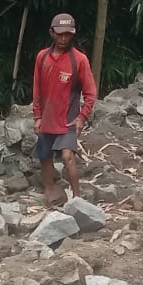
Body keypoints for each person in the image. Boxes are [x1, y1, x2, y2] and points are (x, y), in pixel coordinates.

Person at [31, 12, 97, 205]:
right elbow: (37, 88)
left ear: (73, 34)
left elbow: (91, 92)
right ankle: (50, 191)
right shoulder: (42, 57)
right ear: (52, 33)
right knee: (44, 156)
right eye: (59, 34)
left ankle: (77, 199)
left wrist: (82, 117)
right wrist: (37, 116)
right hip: (47, 118)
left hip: (68, 119)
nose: (63, 38)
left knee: (68, 157)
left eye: (67, 34)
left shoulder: (80, 60)